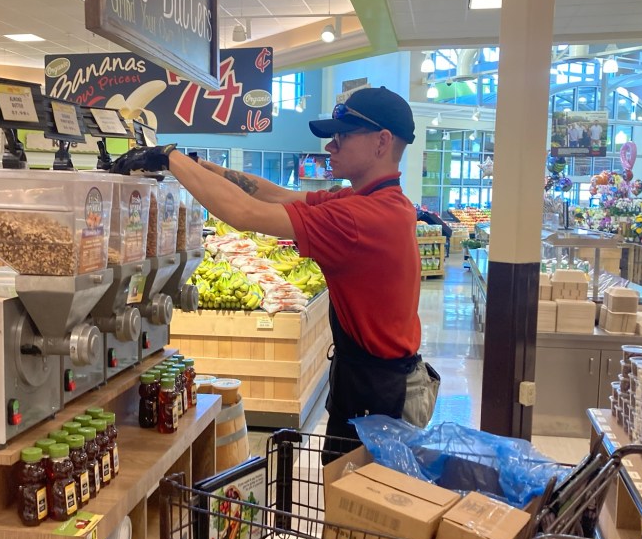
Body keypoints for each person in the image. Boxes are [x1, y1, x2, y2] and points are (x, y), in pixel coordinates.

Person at [111, 87, 439, 460]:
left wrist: (168, 158)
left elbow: (245, 213)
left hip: (380, 396)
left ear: (382, 141)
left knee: (360, 495)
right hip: (373, 380)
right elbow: (278, 195)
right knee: (347, 488)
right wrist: (204, 168)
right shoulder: (374, 201)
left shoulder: (362, 217)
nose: (330, 146)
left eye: (343, 136)